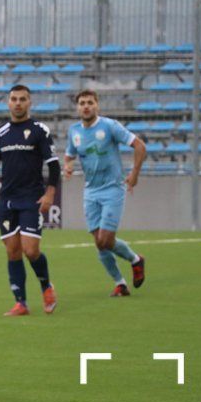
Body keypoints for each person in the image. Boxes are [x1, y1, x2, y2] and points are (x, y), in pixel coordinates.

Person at [0, 85, 60, 316]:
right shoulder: (0, 132)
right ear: (8, 103)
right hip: (7, 200)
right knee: (13, 251)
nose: (18, 103)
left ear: (29, 102)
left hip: (31, 198)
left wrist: (50, 192)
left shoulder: (39, 130)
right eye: (14, 99)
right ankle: (21, 302)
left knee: (31, 250)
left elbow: (53, 164)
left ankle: (46, 286)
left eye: (22, 99)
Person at [64, 89, 147, 296]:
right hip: (90, 191)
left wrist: (134, 174)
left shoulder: (109, 126)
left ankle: (135, 260)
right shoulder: (74, 131)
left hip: (112, 189)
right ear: (77, 107)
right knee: (99, 243)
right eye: (82, 103)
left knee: (105, 240)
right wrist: (68, 166)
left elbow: (140, 146)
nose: (86, 106)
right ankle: (120, 283)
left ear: (97, 105)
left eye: (90, 102)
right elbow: (69, 155)